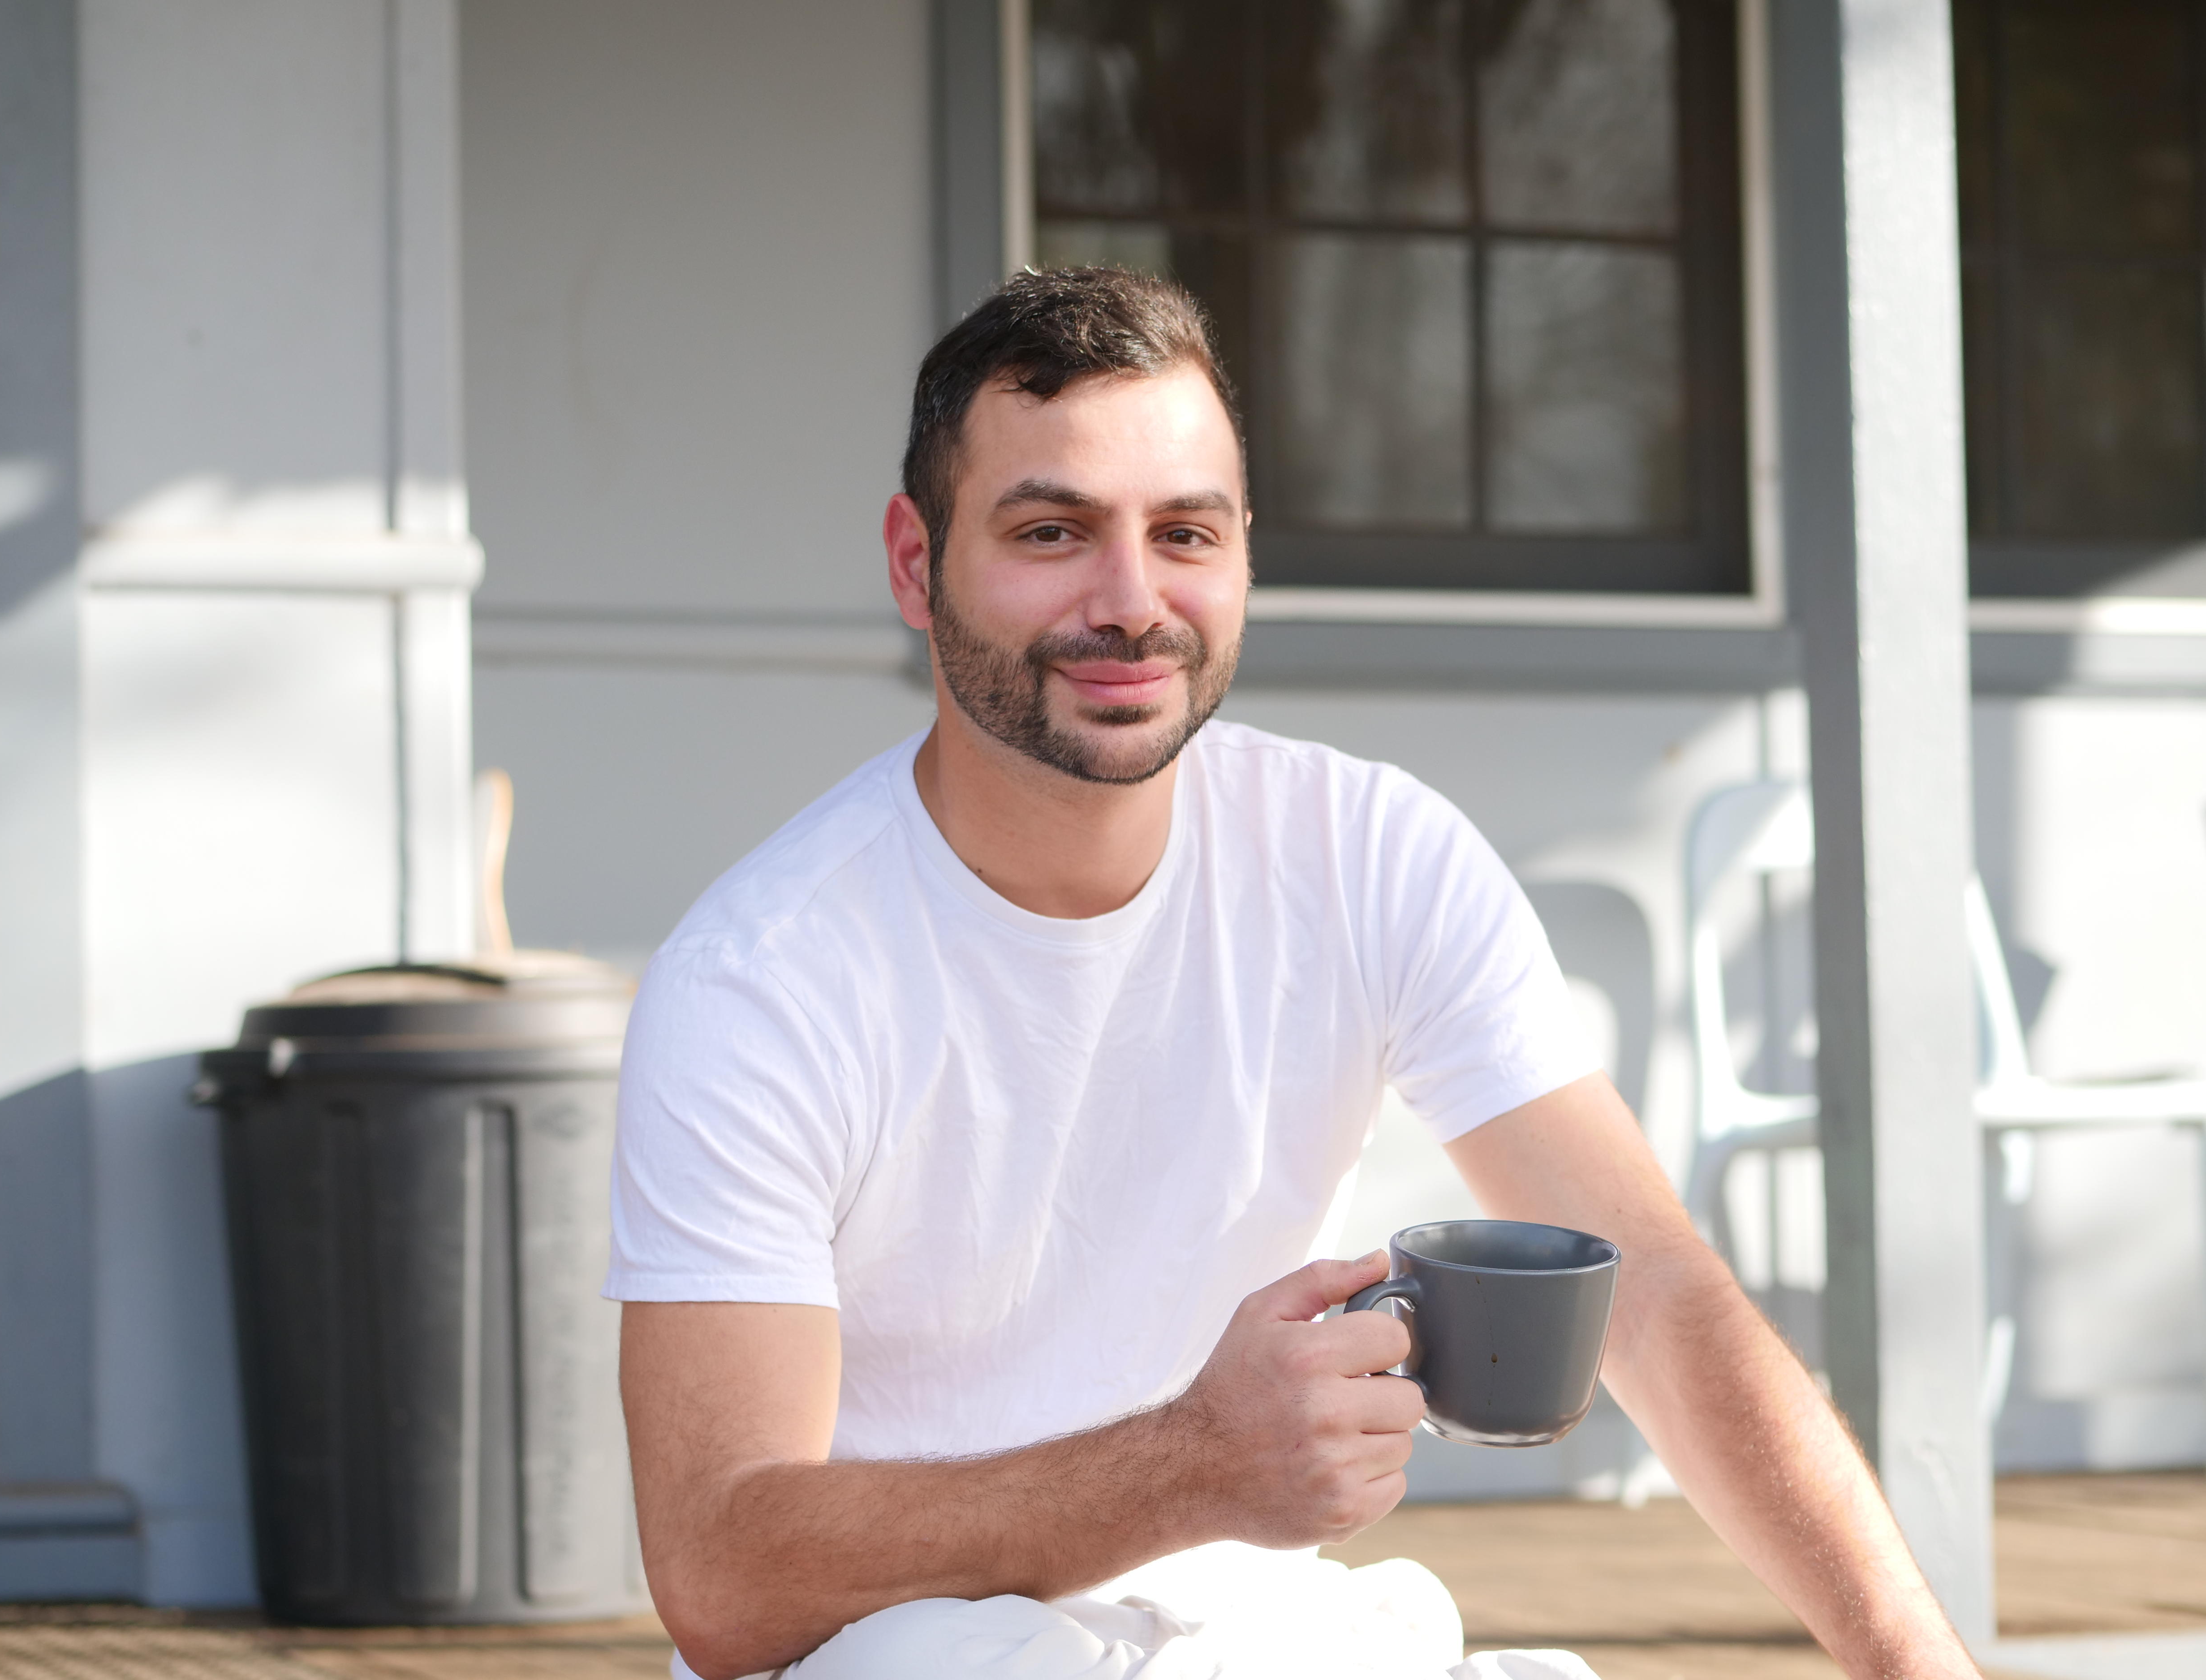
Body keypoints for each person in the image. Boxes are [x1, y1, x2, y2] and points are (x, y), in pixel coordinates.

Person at [608, 267, 1983, 1680]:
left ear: (1244, 551)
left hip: (1255, 1637)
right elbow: (723, 1571)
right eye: (1052, 531)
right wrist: (1193, 1466)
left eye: (1184, 532)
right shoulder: (762, 980)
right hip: (907, 1652)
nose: (1130, 601)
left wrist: (1914, 1664)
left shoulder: (1369, 853)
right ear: (916, 563)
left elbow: (1659, 1302)